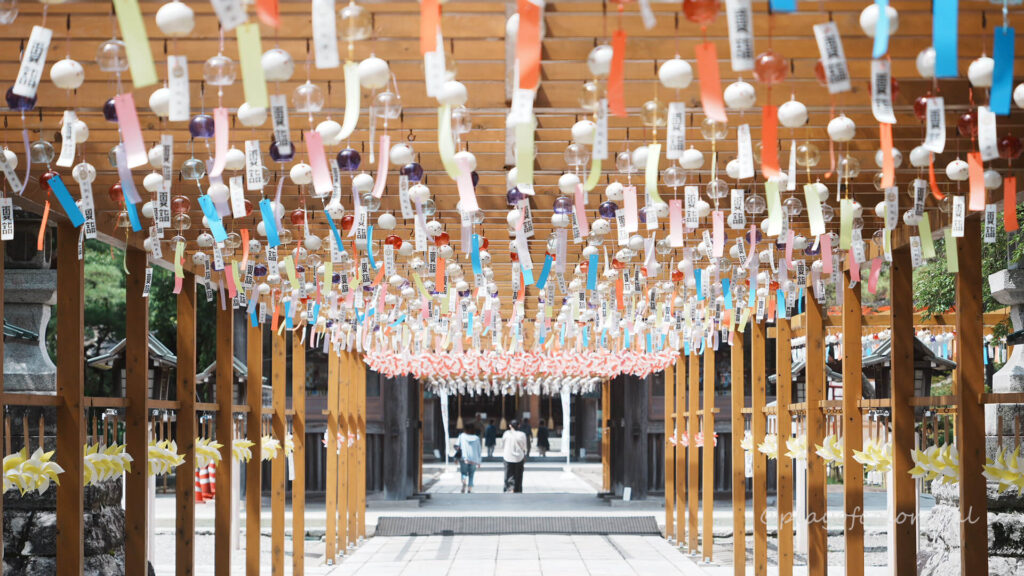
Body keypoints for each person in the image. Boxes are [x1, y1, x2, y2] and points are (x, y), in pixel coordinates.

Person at [502, 419, 528, 493]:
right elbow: (524, 447)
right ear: (519, 426)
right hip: (519, 457)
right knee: (518, 474)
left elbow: (503, 444)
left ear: (510, 426)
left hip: (508, 456)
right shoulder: (522, 434)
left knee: (508, 474)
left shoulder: (506, 433)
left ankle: (508, 488)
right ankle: (517, 489)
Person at [457, 423, 482, 494]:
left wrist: (456, 458)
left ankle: (464, 481)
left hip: (464, 459)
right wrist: (479, 462)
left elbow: (457, 446)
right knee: (471, 474)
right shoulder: (476, 438)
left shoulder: (461, 436)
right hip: (473, 460)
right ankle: (469, 489)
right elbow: (479, 450)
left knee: (463, 473)